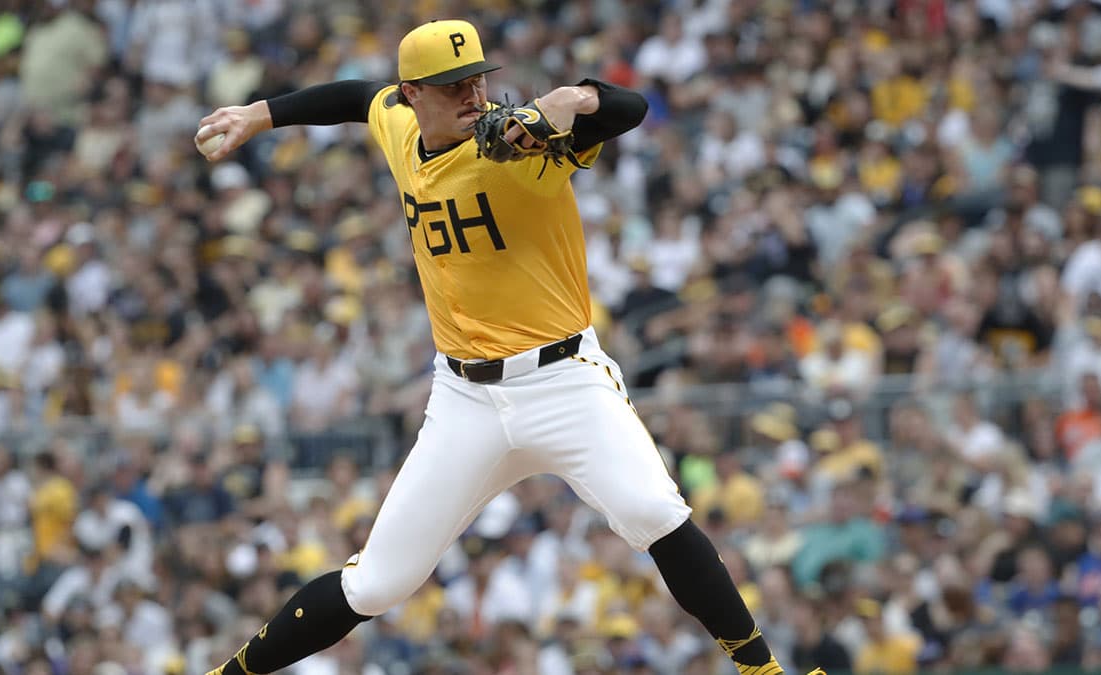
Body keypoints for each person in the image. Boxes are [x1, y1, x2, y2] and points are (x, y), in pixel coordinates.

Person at [198, 20, 823, 675]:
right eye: (452, 85)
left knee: (651, 508)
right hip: (464, 395)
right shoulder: (400, 126)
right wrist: (260, 115)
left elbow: (628, 109)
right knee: (378, 582)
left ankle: (765, 671)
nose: (472, 93)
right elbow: (358, 97)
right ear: (413, 93)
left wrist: (575, 99)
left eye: (477, 78)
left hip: (562, 379)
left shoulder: (523, 140)